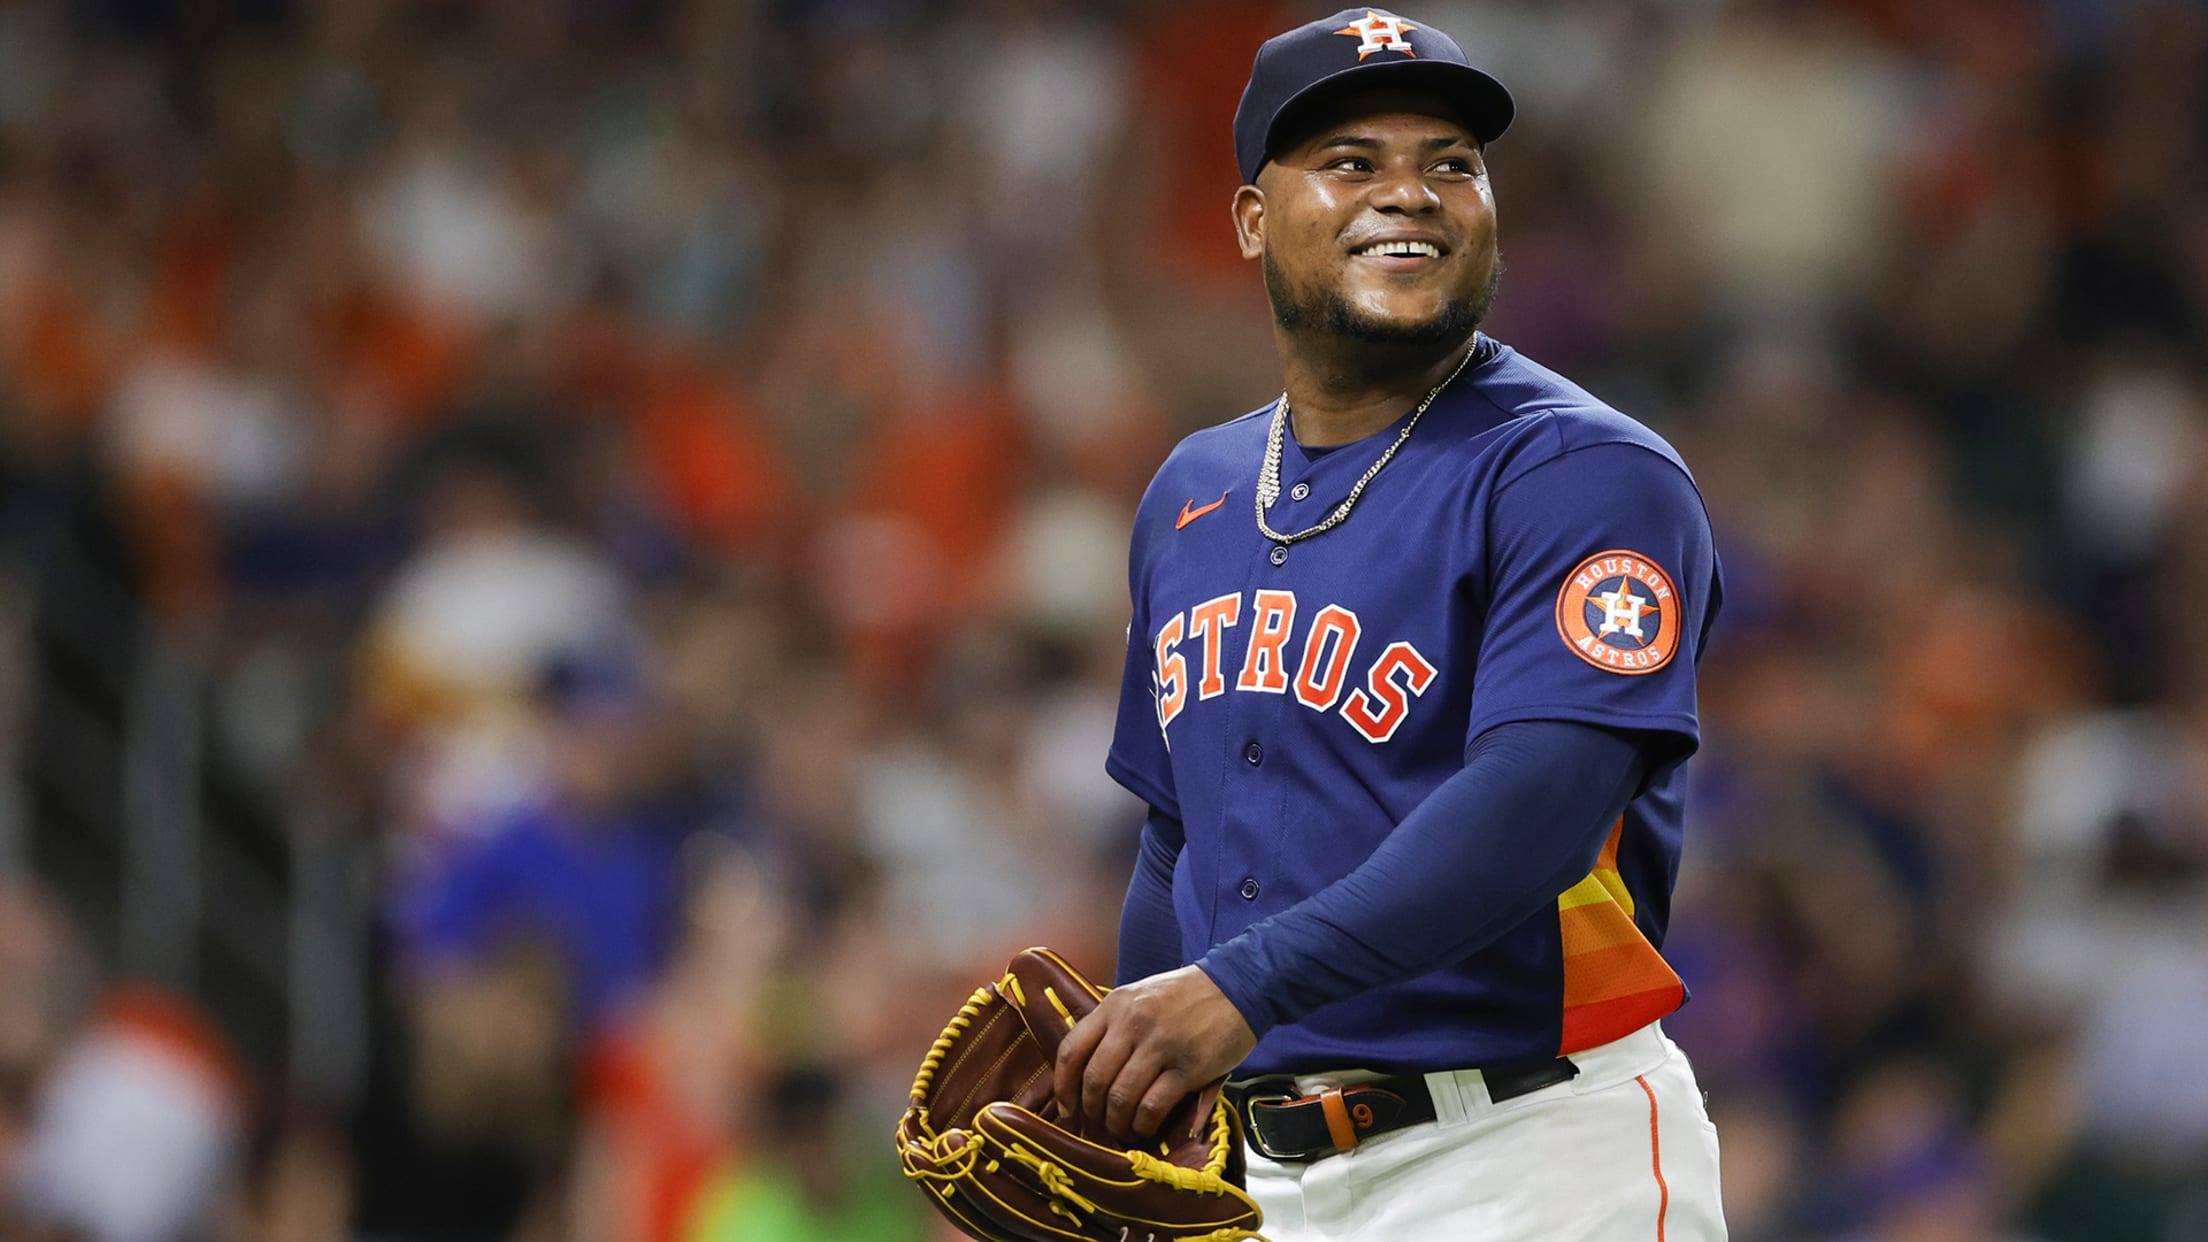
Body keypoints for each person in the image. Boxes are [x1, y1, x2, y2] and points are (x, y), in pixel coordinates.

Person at [1052, 9, 1728, 1238]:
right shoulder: (1191, 495)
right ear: (1255, 219)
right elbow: (1175, 837)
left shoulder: (1582, 472)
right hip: (1264, 1178)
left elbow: (1539, 802)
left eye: (1451, 164)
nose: (1409, 193)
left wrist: (1232, 992)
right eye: (1353, 162)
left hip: (1530, 1152)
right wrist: (1142, 1094)